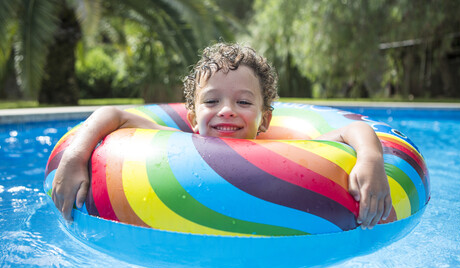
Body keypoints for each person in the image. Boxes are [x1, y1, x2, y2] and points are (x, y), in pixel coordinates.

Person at [51, 42, 391, 229]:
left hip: (265, 234)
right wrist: (75, 156)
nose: (227, 110)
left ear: (264, 119)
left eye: (243, 102)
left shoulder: (285, 150)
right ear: (193, 118)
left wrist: (371, 160)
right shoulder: (175, 146)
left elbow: (353, 129)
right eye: (212, 101)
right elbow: (115, 115)